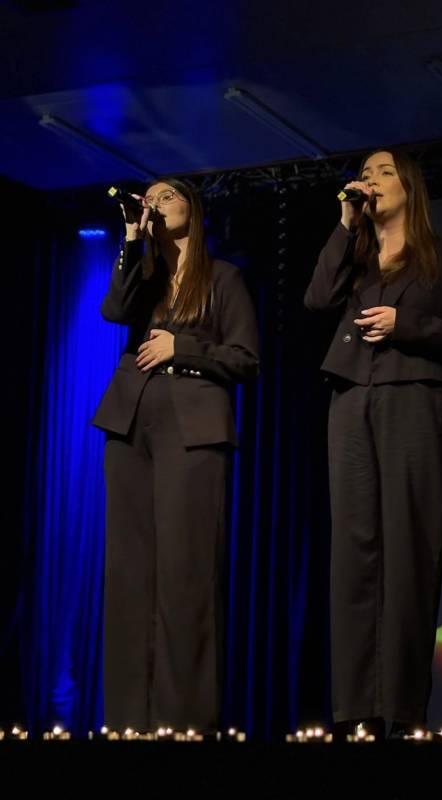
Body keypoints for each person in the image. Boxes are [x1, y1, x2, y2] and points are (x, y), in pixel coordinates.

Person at [304, 149, 442, 739]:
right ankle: (355, 710)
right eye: (366, 174)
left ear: (410, 187)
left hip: (414, 396)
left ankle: (403, 710)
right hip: (350, 398)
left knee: (410, 547)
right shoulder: (354, 256)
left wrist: (404, 325)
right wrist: (345, 224)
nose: (372, 181)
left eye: (385, 173)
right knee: (353, 551)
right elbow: (317, 299)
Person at [93, 177, 259, 734]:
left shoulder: (224, 278)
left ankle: (183, 722)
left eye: (168, 197)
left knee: (186, 575)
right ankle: (127, 721)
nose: (156, 204)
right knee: (129, 576)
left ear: (194, 209)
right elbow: (114, 310)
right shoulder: (144, 274)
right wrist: (131, 237)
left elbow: (246, 358)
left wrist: (180, 347)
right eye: (152, 199)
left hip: (193, 428)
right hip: (130, 423)